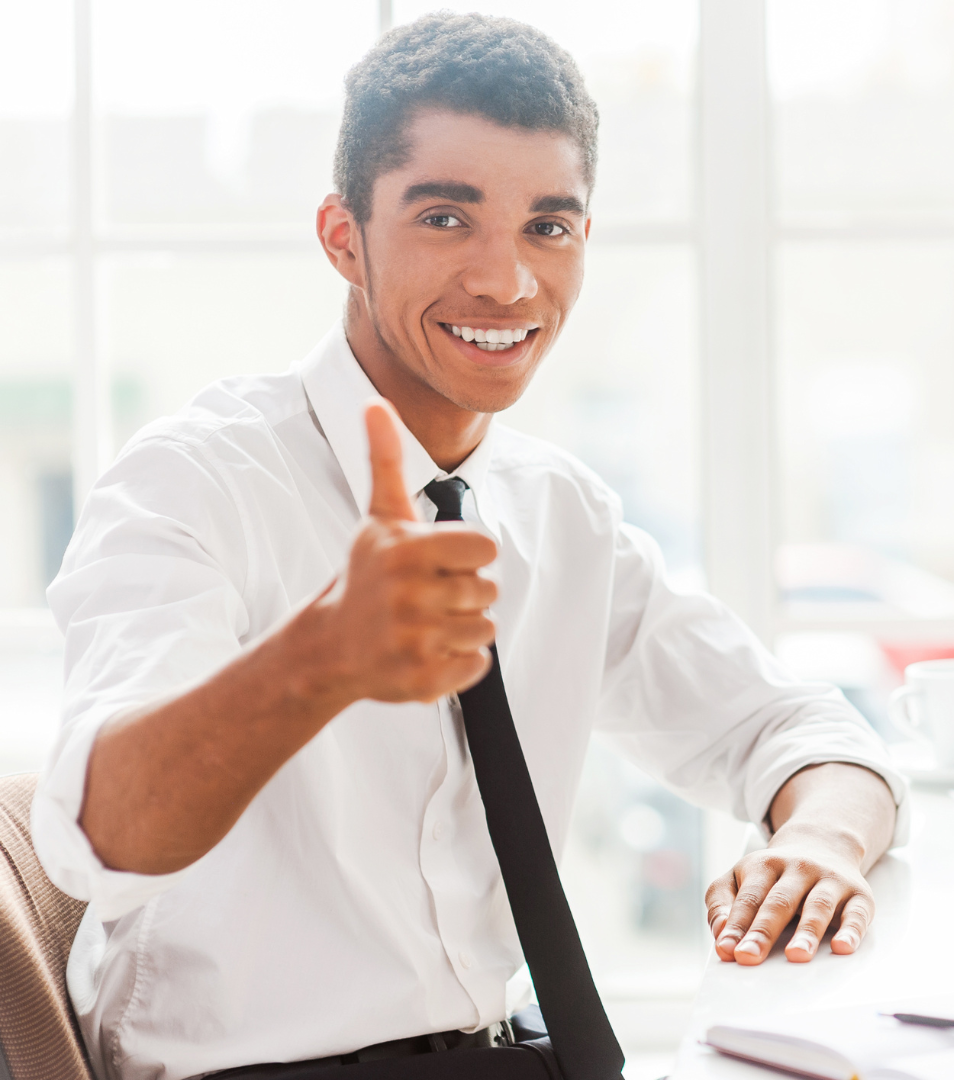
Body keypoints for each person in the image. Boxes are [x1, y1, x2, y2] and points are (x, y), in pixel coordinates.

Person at [32, 12, 906, 1080]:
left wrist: (819, 840)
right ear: (342, 234)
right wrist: (323, 659)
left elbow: (793, 726)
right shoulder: (195, 482)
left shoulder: (557, 514)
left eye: (549, 225)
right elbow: (98, 838)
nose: (506, 284)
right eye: (447, 218)